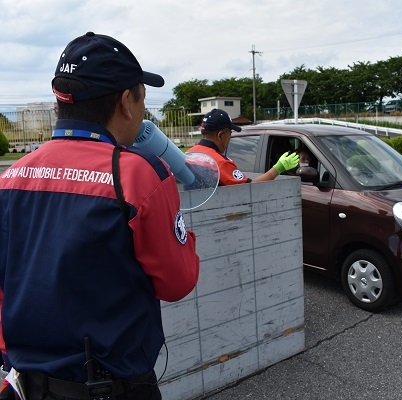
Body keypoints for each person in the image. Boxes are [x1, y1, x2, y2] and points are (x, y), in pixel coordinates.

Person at [0, 32, 200, 400]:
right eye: (142, 98)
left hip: (28, 384)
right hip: (113, 387)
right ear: (126, 102)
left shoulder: (10, 176)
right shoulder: (139, 174)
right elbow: (178, 282)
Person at [186, 109, 298, 185]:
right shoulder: (219, 163)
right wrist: (278, 169)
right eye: (230, 134)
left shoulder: (189, 154)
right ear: (220, 135)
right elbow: (251, 189)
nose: (230, 139)